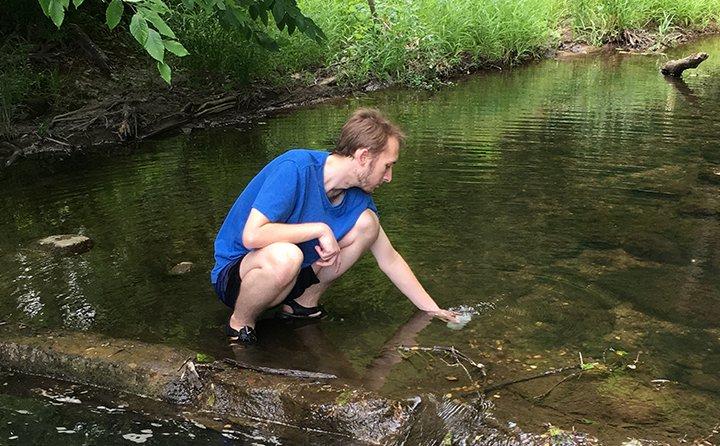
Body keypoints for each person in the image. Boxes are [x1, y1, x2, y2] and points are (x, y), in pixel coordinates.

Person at [211, 108, 459, 344]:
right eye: (387, 166)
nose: (388, 177)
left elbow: (390, 260)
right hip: (238, 276)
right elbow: (252, 236)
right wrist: (320, 229)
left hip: (292, 278)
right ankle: (240, 324)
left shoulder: (358, 198)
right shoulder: (296, 168)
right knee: (287, 255)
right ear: (363, 157)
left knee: (367, 224)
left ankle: (301, 305)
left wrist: (433, 310)